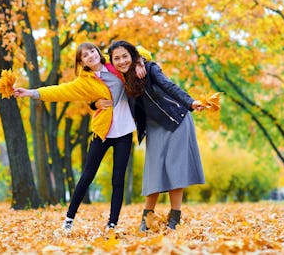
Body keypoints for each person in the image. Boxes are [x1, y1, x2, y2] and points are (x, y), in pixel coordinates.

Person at [13, 42, 139, 232]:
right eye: (85, 56)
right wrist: (31, 93)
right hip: (103, 132)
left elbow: (138, 52)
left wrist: (140, 63)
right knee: (87, 176)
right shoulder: (84, 82)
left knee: (118, 179)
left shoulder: (115, 64)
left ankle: (112, 223)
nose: (90, 55)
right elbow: (60, 91)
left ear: (98, 52)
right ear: (82, 63)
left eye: (92, 51)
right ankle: (69, 220)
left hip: (125, 132)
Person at [103, 40, 206, 231]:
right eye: (116, 58)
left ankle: (175, 218)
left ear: (133, 55)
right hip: (153, 126)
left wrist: (191, 102)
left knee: (174, 169)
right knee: (154, 171)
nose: (122, 61)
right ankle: (147, 218)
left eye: (126, 56)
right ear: (112, 61)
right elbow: (93, 79)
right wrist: (94, 104)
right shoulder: (117, 79)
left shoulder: (149, 69)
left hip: (176, 119)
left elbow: (169, 86)